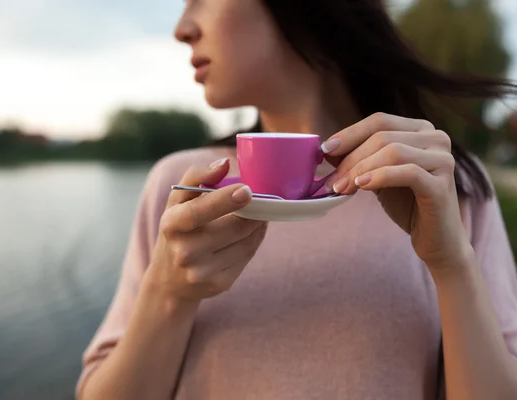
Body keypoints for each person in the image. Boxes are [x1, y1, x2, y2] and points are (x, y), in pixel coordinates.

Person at [77, 0, 517, 399]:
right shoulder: (183, 187)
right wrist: (169, 294)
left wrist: (451, 263)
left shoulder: (444, 185)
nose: (182, 27)